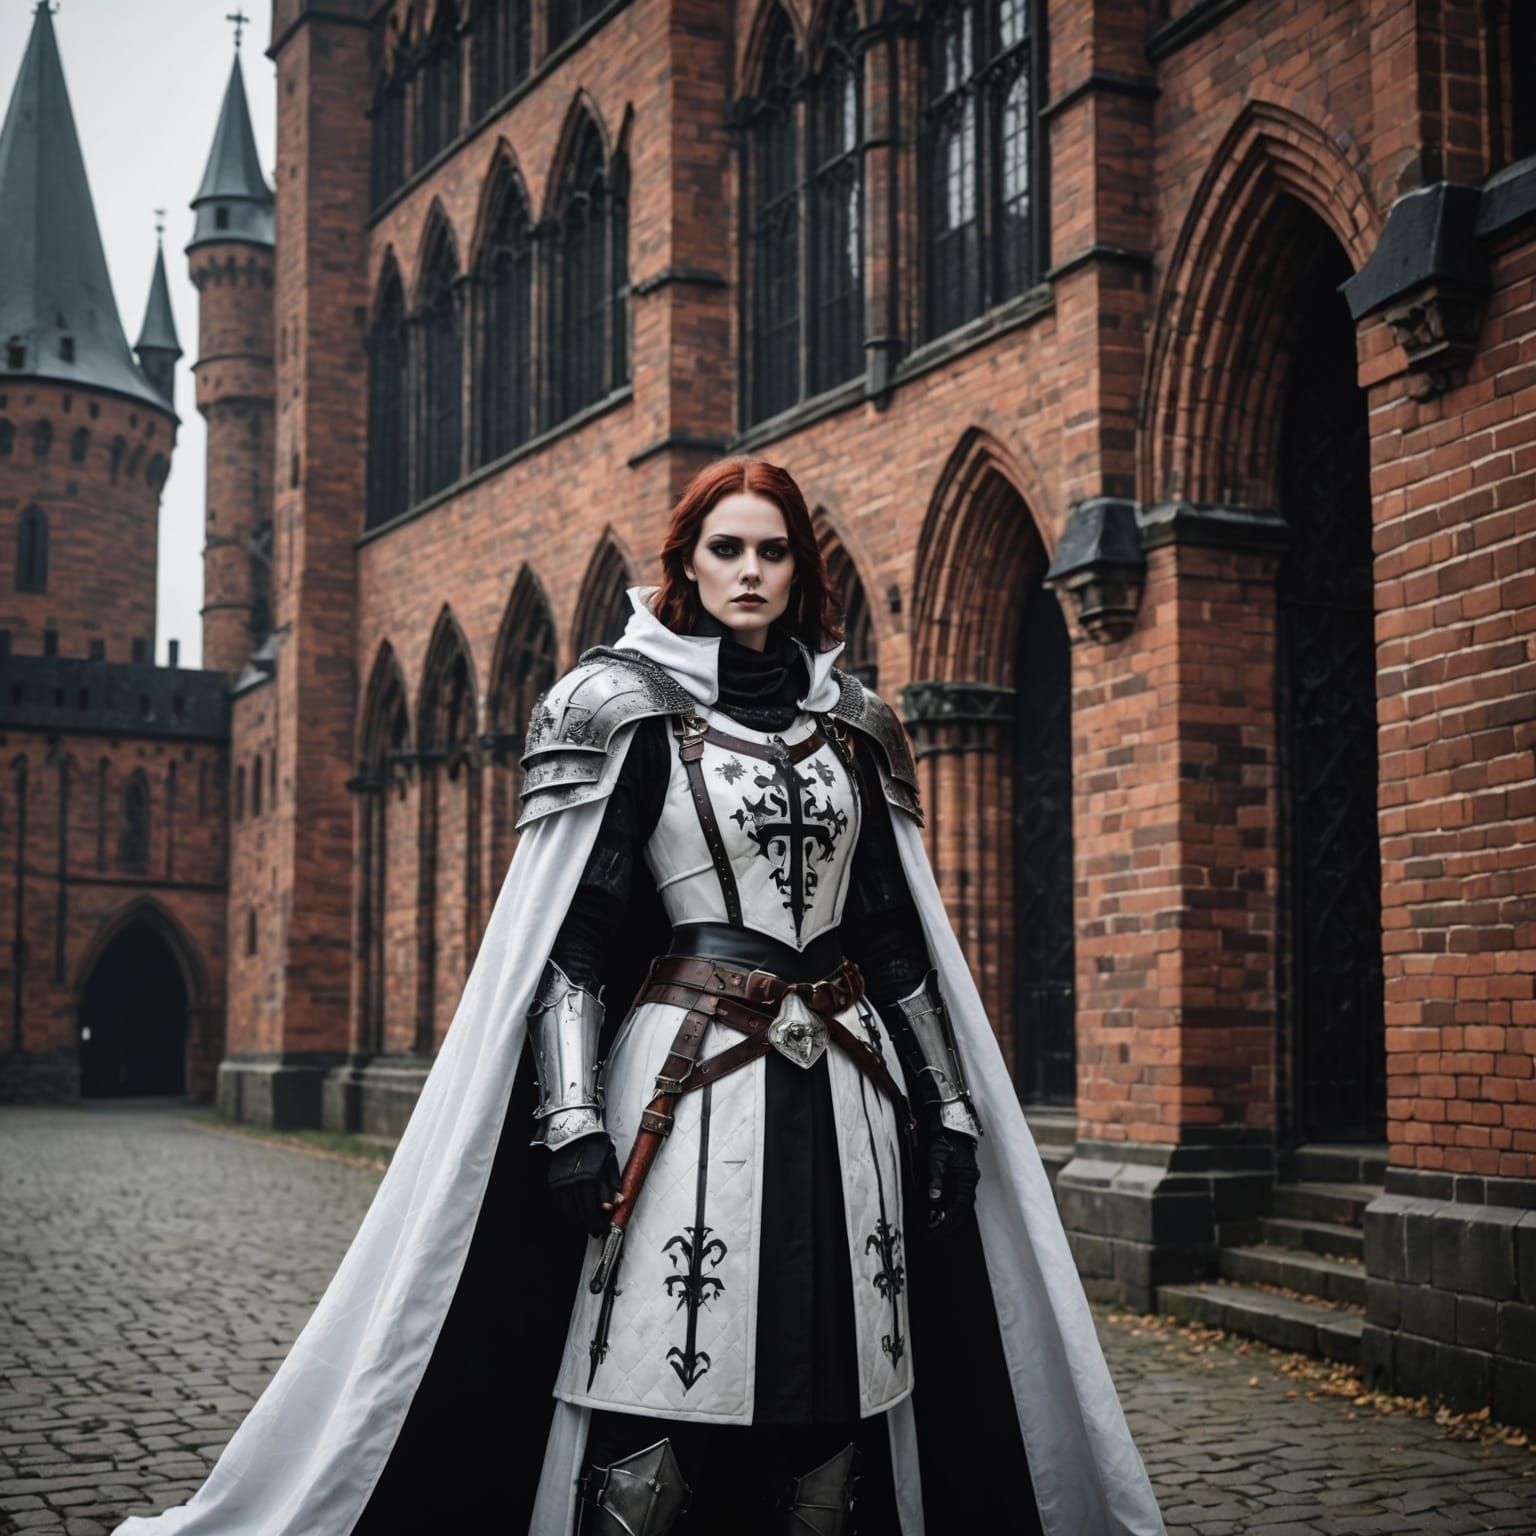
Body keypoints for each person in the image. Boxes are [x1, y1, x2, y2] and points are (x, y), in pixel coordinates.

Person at [114, 459, 1164, 1536]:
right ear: (687, 566)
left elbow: (896, 944)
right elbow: (573, 944)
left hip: (849, 1093)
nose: (750, 571)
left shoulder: (859, 727)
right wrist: (571, 1122)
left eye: (772, 549)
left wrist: (945, 1107)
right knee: (657, 1384)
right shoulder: (621, 710)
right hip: (686, 1090)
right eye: (727, 549)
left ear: (802, 566)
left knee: (835, 1393)